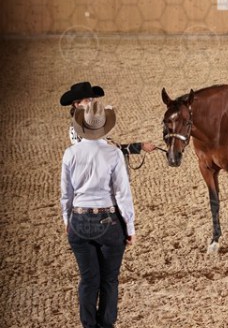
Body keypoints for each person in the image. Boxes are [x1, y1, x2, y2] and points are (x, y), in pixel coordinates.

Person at [61, 100, 134, 328]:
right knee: (109, 280)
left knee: (88, 280)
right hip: (108, 221)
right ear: (104, 126)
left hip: (79, 220)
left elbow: (66, 195)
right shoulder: (113, 154)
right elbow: (122, 194)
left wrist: (68, 221)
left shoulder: (70, 153)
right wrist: (130, 227)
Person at [60, 81, 156, 154]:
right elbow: (108, 150)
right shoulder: (80, 128)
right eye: (87, 100)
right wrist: (139, 146)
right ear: (77, 104)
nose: (91, 102)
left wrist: (140, 146)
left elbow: (110, 148)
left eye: (92, 99)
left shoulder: (90, 123)